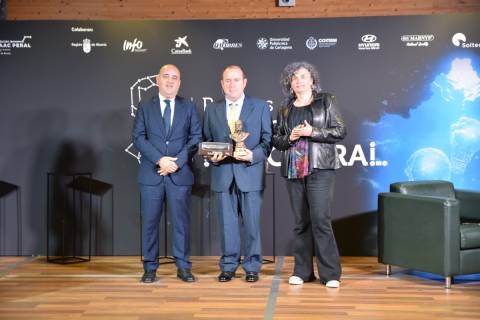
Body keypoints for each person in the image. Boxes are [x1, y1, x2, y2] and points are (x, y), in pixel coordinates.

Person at [272, 61, 346, 288]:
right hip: (294, 171)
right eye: (294, 78)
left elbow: (340, 131)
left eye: (303, 76)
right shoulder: (285, 108)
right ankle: (302, 272)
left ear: (312, 80)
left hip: (320, 169)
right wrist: (290, 138)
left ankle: (331, 274)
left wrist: (312, 131)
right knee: (301, 222)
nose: (298, 81)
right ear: (289, 83)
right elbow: (277, 140)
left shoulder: (326, 101)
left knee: (321, 220)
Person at [132, 64, 202, 283]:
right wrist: (160, 159)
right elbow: (138, 137)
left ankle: (183, 267)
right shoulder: (145, 106)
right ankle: (150, 268)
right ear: (157, 80)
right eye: (166, 77)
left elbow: (195, 137)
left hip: (179, 175)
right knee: (150, 223)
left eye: (175, 78)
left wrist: (177, 162)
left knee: (181, 223)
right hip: (151, 175)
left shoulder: (189, 106)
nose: (170, 81)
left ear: (179, 82)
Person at [203, 65, 272, 283]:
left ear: (244, 82)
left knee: (252, 224)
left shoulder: (260, 107)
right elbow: (206, 140)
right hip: (222, 175)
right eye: (227, 80)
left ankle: (252, 266)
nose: (232, 84)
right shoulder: (212, 109)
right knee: (227, 225)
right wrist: (210, 156)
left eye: (236, 80)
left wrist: (252, 155)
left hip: (250, 174)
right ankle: (228, 266)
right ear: (222, 84)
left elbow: (267, 142)